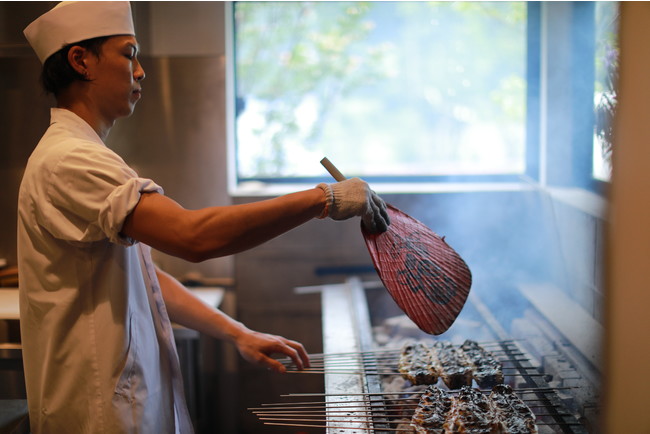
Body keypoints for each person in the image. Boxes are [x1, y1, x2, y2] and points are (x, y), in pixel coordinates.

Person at [18, 2, 390, 433]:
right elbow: (193, 237)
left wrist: (236, 332)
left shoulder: (87, 154)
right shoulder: (70, 159)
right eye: (129, 54)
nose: (140, 72)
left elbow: (146, 278)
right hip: (96, 415)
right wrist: (322, 199)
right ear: (81, 61)